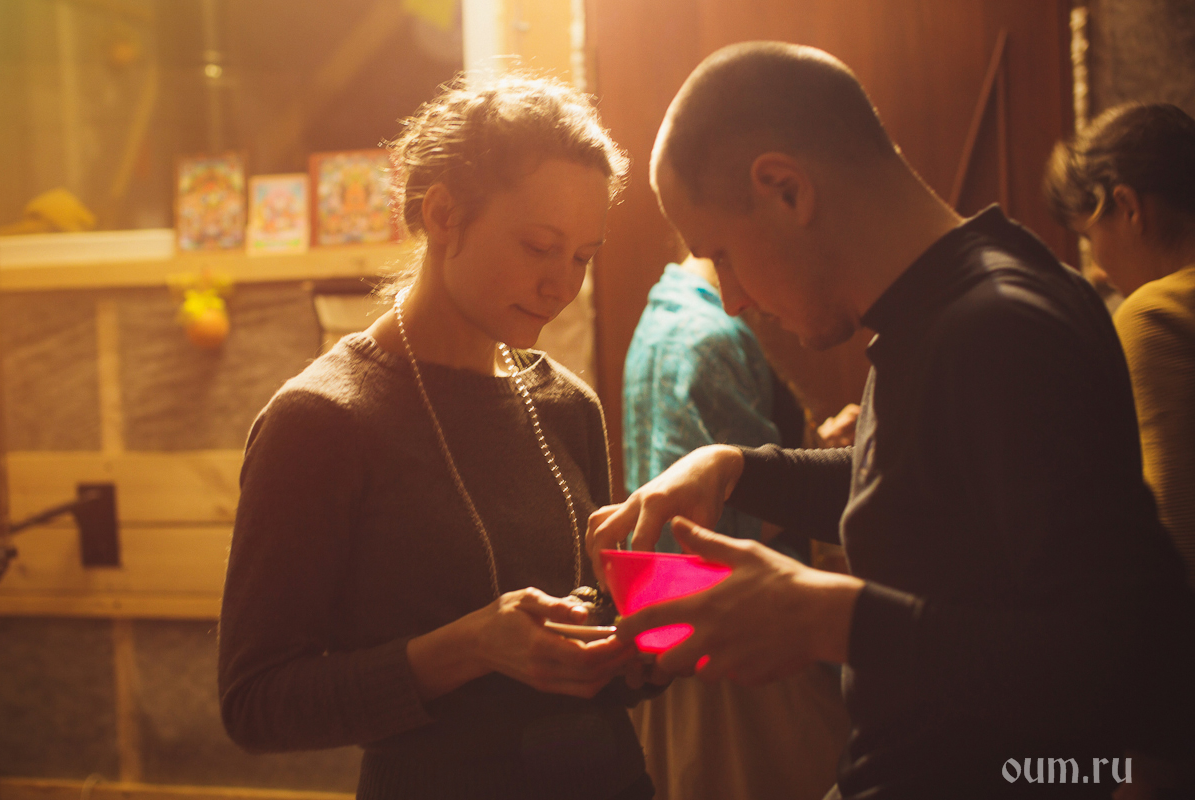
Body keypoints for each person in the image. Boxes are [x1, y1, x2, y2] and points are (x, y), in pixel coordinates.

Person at [587, 42, 1195, 798]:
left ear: (786, 190)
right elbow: (928, 490)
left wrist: (830, 620)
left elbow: (1139, 670)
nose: (733, 299)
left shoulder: (999, 328)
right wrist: (737, 469)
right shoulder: (939, 306)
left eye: (723, 254)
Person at [218, 74, 658, 799]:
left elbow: (595, 648)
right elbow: (256, 704)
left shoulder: (566, 405)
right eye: (539, 246)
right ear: (444, 214)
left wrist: (646, 648)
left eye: (582, 256)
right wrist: (468, 647)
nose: (561, 286)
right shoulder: (322, 421)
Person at [622, 253, 850, 800]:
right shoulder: (708, 338)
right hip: (739, 660)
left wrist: (820, 454)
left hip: (691, 637)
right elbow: (712, 527)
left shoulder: (663, 312)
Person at [1045, 102, 1195, 589]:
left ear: (1128, 206)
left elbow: (1174, 541)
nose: (1098, 270)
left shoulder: (1155, 315)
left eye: (1090, 237)